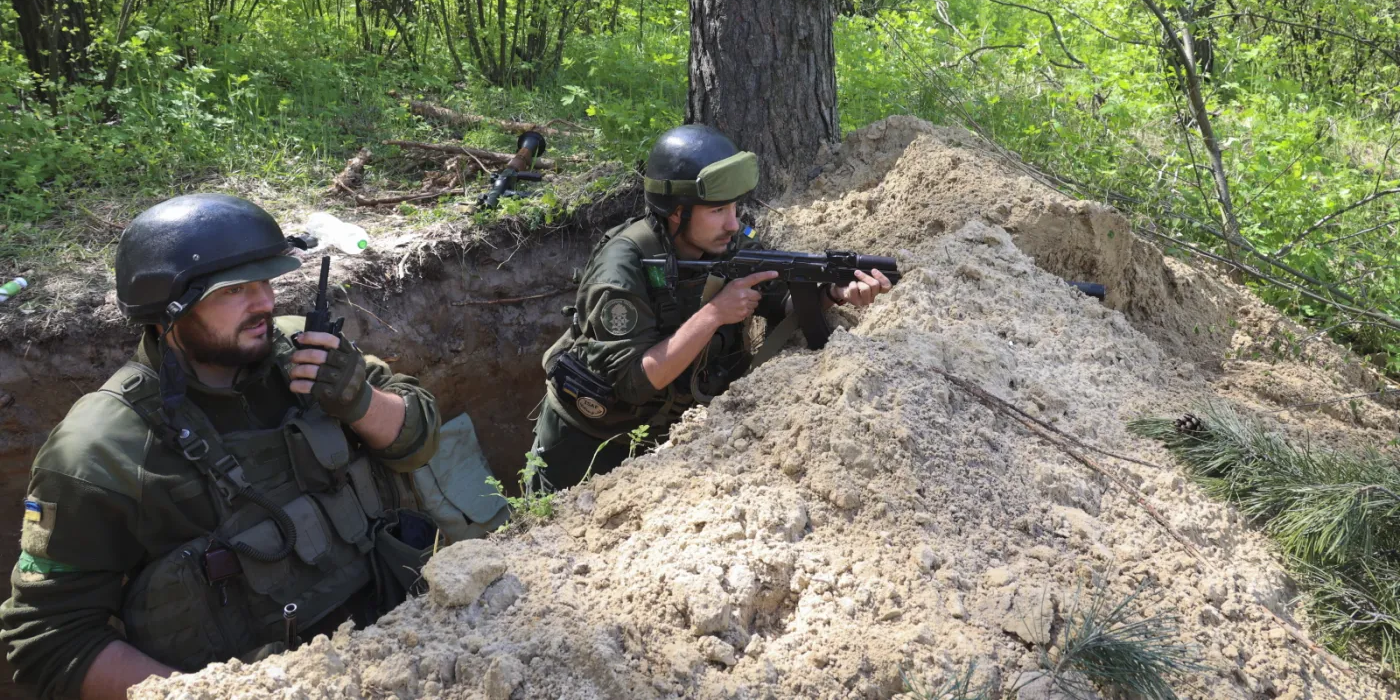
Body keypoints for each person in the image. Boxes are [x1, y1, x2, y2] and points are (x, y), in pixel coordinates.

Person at [0, 194, 443, 700]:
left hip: (414, 643)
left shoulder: (309, 353)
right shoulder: (100, 448)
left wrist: (360, 401)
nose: (266, 303)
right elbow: (47, 639)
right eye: (235, 290)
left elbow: (421, 440)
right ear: (168, 309)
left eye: (267, 281)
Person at [530, 125, 892, 491]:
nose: (733, 223)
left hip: (669, 443)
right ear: (677, 213)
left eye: (735, 207)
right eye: (718, 209)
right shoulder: (622, 267)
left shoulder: (728, 242)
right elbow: (634, 382)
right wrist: (715, 313)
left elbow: (779, 301)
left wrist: (833, 292)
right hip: (590, 444)